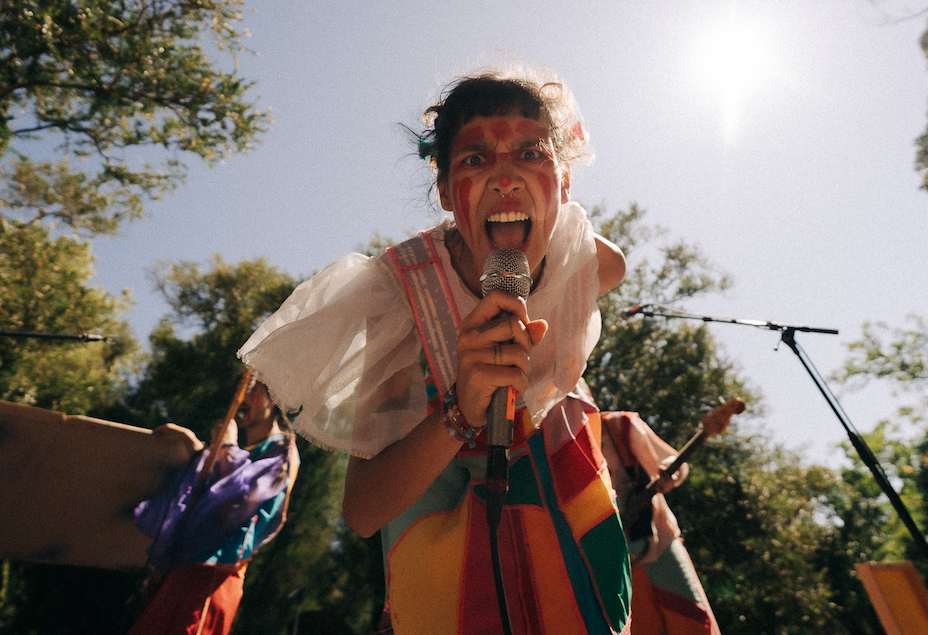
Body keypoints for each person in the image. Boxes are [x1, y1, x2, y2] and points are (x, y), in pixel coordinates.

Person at [238, 63, 632, 635]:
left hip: (578, 569)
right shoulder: (401, 301)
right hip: (458, 590)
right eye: (475, 159)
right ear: (445, 191)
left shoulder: (587, 260)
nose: (506, 178)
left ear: (564, 183)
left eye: (531, 154)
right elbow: (365, 510)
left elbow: (609, 268)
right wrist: (460, 410)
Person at [129, 379, 299, 635]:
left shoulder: (282, 450)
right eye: (239, 389)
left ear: (273, 395)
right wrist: (195, 448)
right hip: (185, 569)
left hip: (214, 576)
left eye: (252, 389)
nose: (242, 398)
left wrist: (228, 446)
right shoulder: (251, 451)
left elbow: (240, 501)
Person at [600, 412, 722, 635]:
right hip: (618, 560)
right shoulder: (556, 443)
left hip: (660, 542)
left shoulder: (619, 425)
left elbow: (678, 465)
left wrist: (669, 473)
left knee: (693, 623)